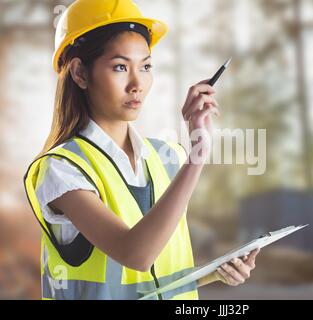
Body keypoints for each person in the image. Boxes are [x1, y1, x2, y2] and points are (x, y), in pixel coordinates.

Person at [23, 0, 259, 300]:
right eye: (120, 67)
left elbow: (149, 281)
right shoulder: (63, 169)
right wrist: (198, 152)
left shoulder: (167, 157)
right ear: (80, 73)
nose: (137, 83)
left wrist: (216, 272)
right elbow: (135, 254)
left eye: (146, 66)